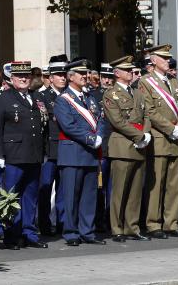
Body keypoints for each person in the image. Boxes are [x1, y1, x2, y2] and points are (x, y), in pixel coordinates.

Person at [0, 61, 48, 249]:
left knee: (30, 196)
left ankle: (29, 233)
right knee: (10, 197)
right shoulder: (2, 98)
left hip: (33, 155)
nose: (23, 79)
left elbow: (42, 128)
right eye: (19, 76)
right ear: (12, 79)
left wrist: (44, 151)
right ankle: (12, 235)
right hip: (12, 155)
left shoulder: (37, 97)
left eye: (27, 76)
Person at [138, 44, 178, 239]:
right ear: (153, 61)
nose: (168, 61)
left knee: (174, 185)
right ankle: (153, 224)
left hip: (175, 139)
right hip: (159, 139)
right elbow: (149, 111)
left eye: (169, 58)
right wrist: (170, 128)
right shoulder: (145, 82)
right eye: (164, 58)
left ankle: (171, 223)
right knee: (156, 184)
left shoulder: (174, 82)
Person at [55, 59, 106, 246]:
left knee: (89, 196)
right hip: (73, 154)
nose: (85, 76)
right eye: (81, 74)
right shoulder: (63, 100)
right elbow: (68, 126)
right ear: (70, 77)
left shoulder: (90, 98)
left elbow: (100, 119)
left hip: (90, 154)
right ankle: (71, 232)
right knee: (71, 196)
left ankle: (87, 231)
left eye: (85, 73)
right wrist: (92, 139)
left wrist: (99, 135)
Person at [103, 55, 151, 242]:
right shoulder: (111, 94)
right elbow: (118, 121)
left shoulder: (137, 93)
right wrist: (139, 136)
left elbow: (146, 115)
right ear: (117, 73)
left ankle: (132, 227)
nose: (131, 72)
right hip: (122, 146)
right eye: (127, 70)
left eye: (132, 70)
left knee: (135, 191)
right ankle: (117, 229)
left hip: (139, 146)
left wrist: (145, 135)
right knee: (120, 191)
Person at [34, 54, 67, 236]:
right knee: (45, 188)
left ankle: (62, 222)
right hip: (49, 148)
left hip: (67, 148)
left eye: (64, 74)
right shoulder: (42, 97)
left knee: (64, 189)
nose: (62, 78)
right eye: (59, 75)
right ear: (50, 78)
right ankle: (45, 224)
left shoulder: (70, 95)